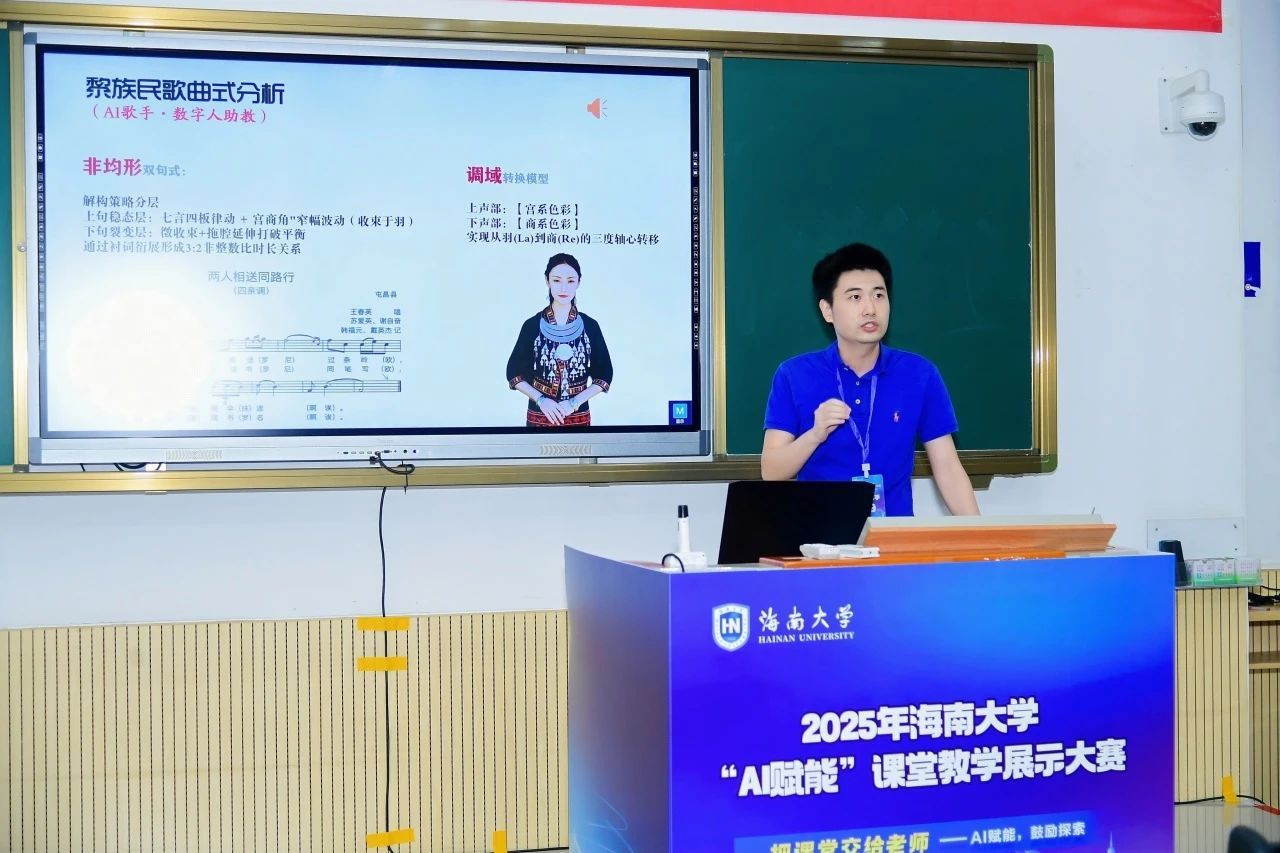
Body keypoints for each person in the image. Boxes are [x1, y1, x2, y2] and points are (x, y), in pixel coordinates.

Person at [760, 242, 979, 517]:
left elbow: (947, 467)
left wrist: (982, 535)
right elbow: (771, 471)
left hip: (895, 537)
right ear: (827, 310)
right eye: (855, 297)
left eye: (878, 295)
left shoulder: (919, 374)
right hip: (819, 537)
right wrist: (814, 435)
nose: (870, 309)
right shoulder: (794, 375)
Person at [506, 253, 614, 427]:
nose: (563, 288)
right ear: (547, 281)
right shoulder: (532, 325)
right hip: (539, 416)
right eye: (556, 280)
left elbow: (604, 375)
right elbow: (513, 374)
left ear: (579, 282)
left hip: (579, 417)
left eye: (570, 281)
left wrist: (574, 403)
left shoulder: (590, 326)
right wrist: (541, 400)